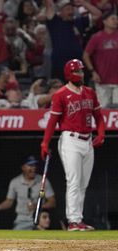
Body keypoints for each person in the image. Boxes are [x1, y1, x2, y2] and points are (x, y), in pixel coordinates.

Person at [40, 58, 106, 231]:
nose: (80, 74)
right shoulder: (61, 94)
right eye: (77, 71)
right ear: (69, 73)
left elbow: (98, 116)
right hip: (70, 140)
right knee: (74, 181)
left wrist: (101, 132)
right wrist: (45, 143)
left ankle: (78, 219)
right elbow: (52, 121)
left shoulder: (90, 92)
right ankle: (73, 221)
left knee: (83, 183)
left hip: (87, 140)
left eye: (81, 71)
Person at [0, 155, 56, 230]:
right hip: (22, 219)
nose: (33, 168)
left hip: (38, 219)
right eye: (30, 165)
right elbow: (9, 201)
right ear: (23, 167)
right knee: (16, 237)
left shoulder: (43, 181)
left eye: (34, 165)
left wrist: (37, 206)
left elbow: (52, 202)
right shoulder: (15, 182)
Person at [83, 9, 118, 108]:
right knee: (102, 109)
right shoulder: (97, 37)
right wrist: (93, 71)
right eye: (113, 19)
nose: (116, 21)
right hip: (102, 79)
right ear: (104, 21)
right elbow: (86, 55)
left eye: (117, 19)